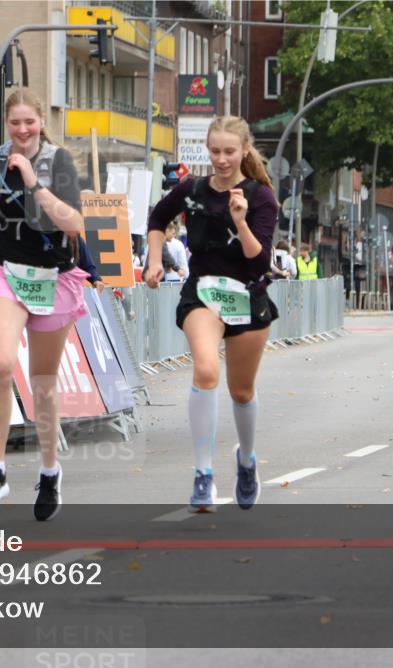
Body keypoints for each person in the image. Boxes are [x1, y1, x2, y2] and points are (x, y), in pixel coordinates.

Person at [0, 88, 86, 521]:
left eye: (29, 122)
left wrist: (33, 181)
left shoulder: (59, 162)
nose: (21, 130)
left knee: (44, 382)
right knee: (0, 364)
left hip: (52, 276)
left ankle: (49, 471)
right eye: (14, 122)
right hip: (5, 272)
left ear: (40, 122)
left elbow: (74, 223)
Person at [145, 115, 278, 513]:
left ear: (244, 151)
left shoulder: (261, 197)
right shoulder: (192, 190)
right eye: (215, 151)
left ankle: (247, 460)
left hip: (247, 296)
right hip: (203, 293)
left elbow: (260, 261)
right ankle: (203, 474)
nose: (221, 160)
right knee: (205, 370)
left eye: (229, 152)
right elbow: (156, 219)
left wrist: (240, 220)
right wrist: (154, 261)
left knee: (241, 391)